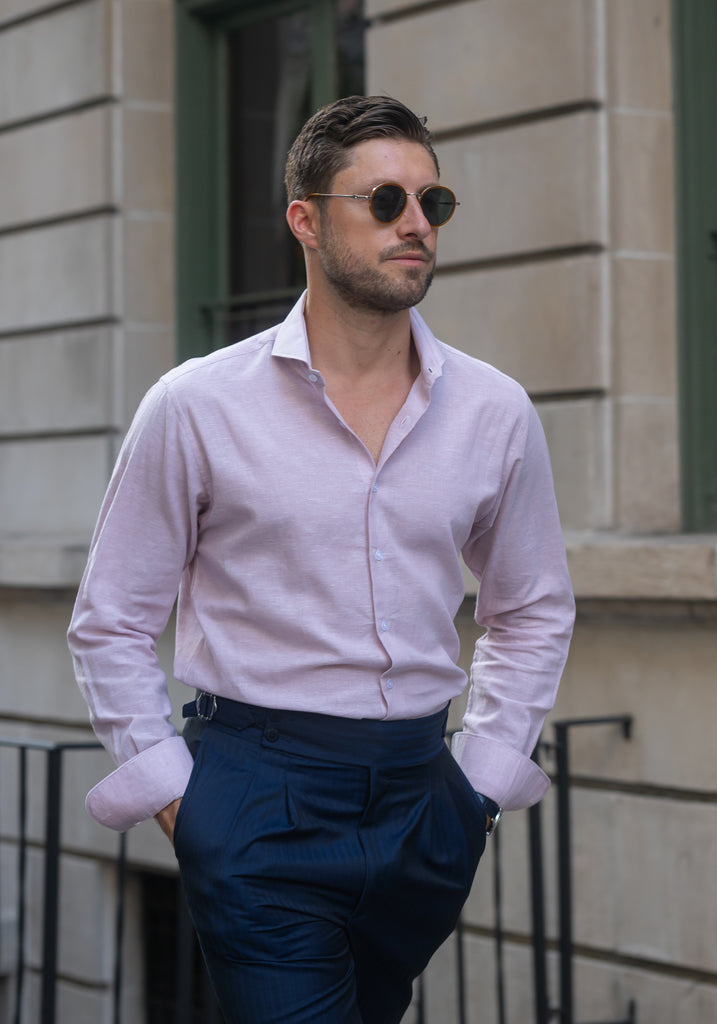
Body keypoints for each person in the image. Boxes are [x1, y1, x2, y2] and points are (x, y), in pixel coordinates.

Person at [68, 94, 575, 1023]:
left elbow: (533, 604)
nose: (415, 224)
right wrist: (178, 797)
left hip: (426, 799)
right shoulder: (196, 404)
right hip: (256, 790)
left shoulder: (494, 410)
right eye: (384, 201)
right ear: (304, 219)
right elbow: (111, 617)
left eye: (433, 203)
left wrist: (485, 781)